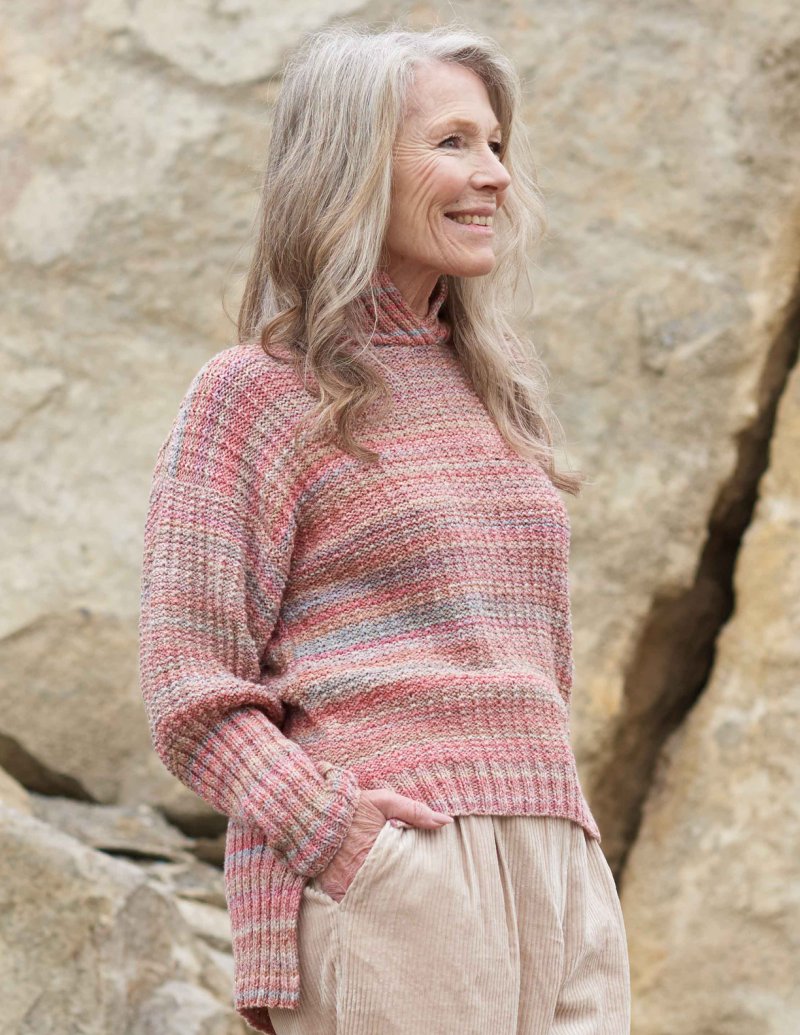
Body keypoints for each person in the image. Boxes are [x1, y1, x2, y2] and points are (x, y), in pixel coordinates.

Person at [138, 20, 631, 1035]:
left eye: (496, 144)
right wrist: (335, 835)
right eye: (452, 142)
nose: (493, 174)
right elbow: (187, 684)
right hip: (399, 875)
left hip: (558, 864)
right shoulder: (256, 396)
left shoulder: (495, 392)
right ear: (352, 165)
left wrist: (567, 851)